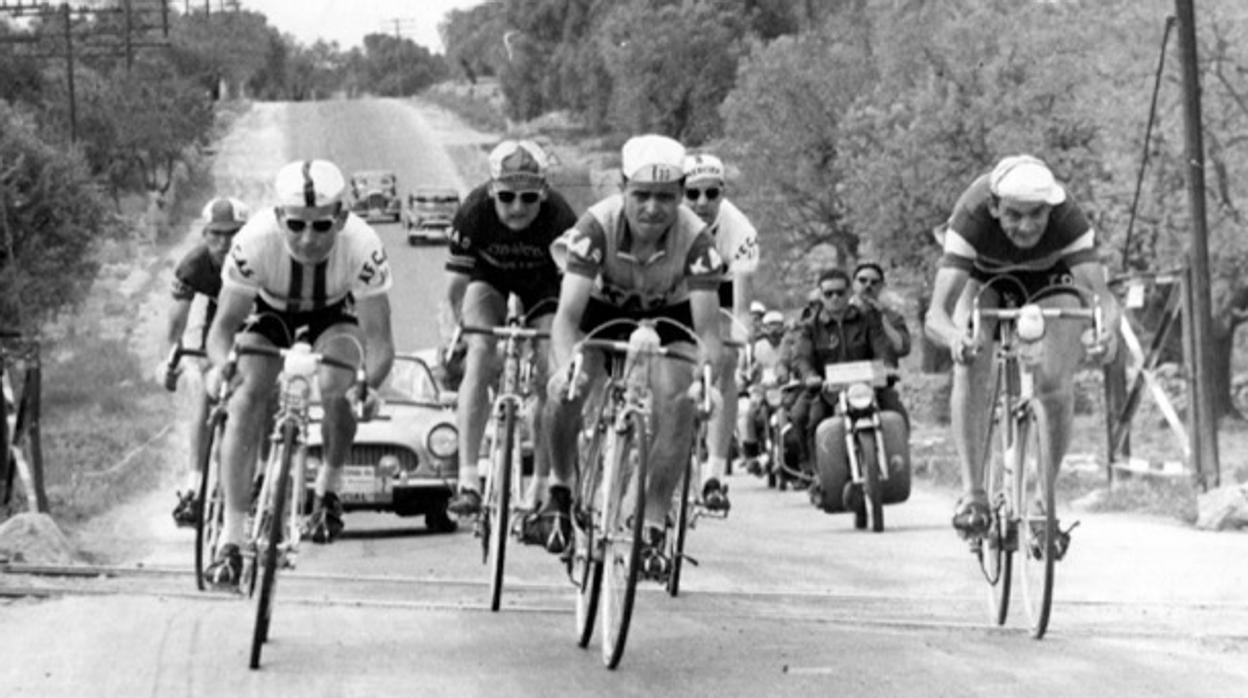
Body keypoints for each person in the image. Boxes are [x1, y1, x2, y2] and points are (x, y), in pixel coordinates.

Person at [202, 159, 395, 588]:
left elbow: (380, 345)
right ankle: (231, 541)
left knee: (337, 386)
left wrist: (369, 387)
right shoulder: (253, 241)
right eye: (296, 226)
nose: (308, 239)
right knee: (246, 395)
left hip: (335, 313)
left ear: (341, 218)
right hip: (268, 311)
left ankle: (328, 487)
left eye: (322, 227)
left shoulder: (363, 246)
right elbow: (222, 331)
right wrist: (222, 368)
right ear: (277, 218)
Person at [538, 134, 725, 562]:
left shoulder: (698, 243)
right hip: (601, 309)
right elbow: (566, 320)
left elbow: (707, 335)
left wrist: (705, 381)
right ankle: (560, 489)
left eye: (665, 197)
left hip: (671, 312)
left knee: (679, 400)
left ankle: (653, 525)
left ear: (681, 195)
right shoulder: (593, 228)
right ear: (622, 189)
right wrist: (567, 368)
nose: (653, 208)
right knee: (570, 386)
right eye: (641, 195)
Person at [923, 154, 1118, 538]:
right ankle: (973, 493)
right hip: (984, 279)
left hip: (1050, 279)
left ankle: (1045, 504)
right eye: (1014, 215)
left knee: (1056, 385)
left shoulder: (1067, 218)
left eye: (1036, 215)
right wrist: (954, 339)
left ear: (1050, 209)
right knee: (971, 357)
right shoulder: (972, 216)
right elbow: (936, 316)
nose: (1026, 226)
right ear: (995, 207)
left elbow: (1104, 301)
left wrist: (1104, 333)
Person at [443, 139, 579, 517]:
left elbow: (572, 296)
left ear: (544, 193)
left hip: (544, 286)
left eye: (528, 198)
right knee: (481, 356)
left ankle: (541, 481)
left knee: (548, 374)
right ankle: (469, 479)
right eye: (506, 197)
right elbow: (456, 289)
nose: (517, 207)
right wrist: (463, 333)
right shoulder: (473, 212)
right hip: (489, 281)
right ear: (491, 191)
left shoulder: (561, 218)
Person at [162, 196, 249, 528]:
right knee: (202, 389)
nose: (224, 243)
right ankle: (194, 488)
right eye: (215, 234)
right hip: (220, 332)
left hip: (259, 328)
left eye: (232, 234)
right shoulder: (194, 265)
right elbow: (176, 322)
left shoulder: (259, 257)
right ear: (204, 234)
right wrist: (174, 360)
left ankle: (259, 481)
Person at [682, 153, 760, 512]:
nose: (702, 203)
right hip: (679, 288)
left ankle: (714, 472)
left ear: (722, 193)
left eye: (711, 194)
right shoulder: (673, 222)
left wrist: (741, 341)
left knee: (725, 358)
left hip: (721, 289)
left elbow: (741, 309)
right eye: (692, 193)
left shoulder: (739, 229)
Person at [786, 269, 902, 481]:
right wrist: (810, 375)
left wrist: (887, 366)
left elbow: (881, 345)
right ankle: (815, 472)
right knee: (805, 417)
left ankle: (898, 459)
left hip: (867, 387)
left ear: (849, 293)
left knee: (894, 407)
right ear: (821, 296)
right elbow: (801, 357)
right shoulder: (809, 327)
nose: (835, 298)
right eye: (829, 294)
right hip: (827, 389)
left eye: (840, 292)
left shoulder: (868, 319)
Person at [850, 261, 911, 426]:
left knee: (898, 418)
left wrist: (882, 318)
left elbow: (902, 347)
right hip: (843, 384)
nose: (868, 285)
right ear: (853, 283)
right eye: (862, 280)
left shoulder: (892, 316)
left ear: (882, 286)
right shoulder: (839, 315)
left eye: (874, 282)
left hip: (879, 383)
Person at [739, 310, 788, 474]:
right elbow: (748, 369)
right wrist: (750, 376)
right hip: (761, 389)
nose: (774, 331)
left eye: (778, 326)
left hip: (783, 389)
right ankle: (751, 455)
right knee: (750, 413)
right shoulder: (757, 347)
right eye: (770, 327)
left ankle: (789, 453)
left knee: (788, 415)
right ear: (765, 329)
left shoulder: (787, 345)